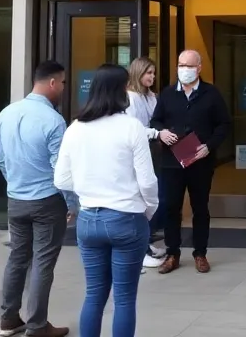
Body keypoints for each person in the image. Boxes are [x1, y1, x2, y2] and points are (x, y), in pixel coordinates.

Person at [55, 64, 158, 337]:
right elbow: (147, 181)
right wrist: (149, 209)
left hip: (88, 220)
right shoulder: (131, 127)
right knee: (124, 298)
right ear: (121, 90)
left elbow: (61, 180)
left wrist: (87, 191)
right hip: (127, 218)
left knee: (94, 295)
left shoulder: (75, 128)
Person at [0, 61, 69, 337]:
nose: (62, 88)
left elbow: (2, 159)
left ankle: (8, 319)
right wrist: (71, 202)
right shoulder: (53, 120)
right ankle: (37, 325)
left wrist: (15, 184)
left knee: (17, 258)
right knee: (43, 262)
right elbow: (60, 169)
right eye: (62, 83)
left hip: (16, 198)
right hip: (47, 200)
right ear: (52, 83)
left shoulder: (7, 113)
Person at [151, 49, 231, 274]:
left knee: (200, 208)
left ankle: (200, 253)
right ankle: (172, 253)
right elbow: (155, 120)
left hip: (200, 160)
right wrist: (161, 132)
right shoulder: (167, 94)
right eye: (181, 64)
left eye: (188, 65)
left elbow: (224, 125)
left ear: (199, 68)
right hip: (171, 161)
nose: (184, 69)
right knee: (171, 207)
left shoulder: (211, 94)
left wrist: (210, 146)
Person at [125, 57, 167, 269]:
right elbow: (134, 128)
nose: (151, 76)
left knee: (153, 197)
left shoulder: (150, 96)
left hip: (153, 150)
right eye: (147, 72)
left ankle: (146, 243)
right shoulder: (131, 98)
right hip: (141, 151)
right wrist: (157, 133)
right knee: (141, 199)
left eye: (153, 72)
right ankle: (139, 251)